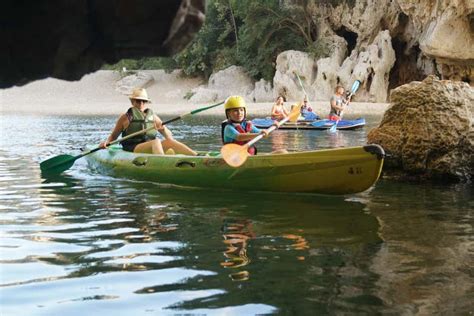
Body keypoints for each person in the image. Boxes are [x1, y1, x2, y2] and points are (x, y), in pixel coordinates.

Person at [99, 88, 197, 155]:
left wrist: (162, 129)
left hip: (150, 145)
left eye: (143, 101)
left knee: (170, 142)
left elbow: (169, 136)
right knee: (156, 141)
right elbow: (113, 136)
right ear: (132, 101)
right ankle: (164, 161)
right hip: (133, 147)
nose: (141, 103)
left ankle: (197, 156)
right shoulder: (125, 117)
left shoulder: (153, 117)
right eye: (138, 101)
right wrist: (106, 143)